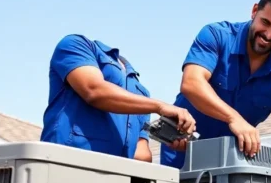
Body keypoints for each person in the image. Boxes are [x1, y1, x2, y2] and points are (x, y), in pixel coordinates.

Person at [160, 0, 271, 172]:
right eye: (265, 22)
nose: (269, 35)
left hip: (232, 166)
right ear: (254, 10)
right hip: (181, 156)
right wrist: (234, 118)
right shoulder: (216, 35)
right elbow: (192, 83)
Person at [40, 34, 196, 162]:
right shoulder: (76, 44)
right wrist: (160, 106)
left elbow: (141, 153)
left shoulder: (141, 93)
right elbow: (93, 90)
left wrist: (173, 140)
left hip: (115, 175)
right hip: (66, 162)